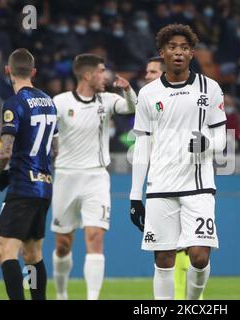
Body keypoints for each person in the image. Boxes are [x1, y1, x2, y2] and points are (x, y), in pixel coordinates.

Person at [130, 24, 227, 300]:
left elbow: (223, 137)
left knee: (198, 256)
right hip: (160, 186)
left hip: (198, 186)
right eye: (172, 47)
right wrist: (136, 196)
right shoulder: (148, 94)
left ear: (192, 53)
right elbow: (142, 145)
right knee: (163, 258)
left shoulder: (210, 88)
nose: (178, 52)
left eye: (184, 47)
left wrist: (207, 144)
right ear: (162, 52)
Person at [51, 53, 137, 300]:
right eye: (101, 70)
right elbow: (46, 130)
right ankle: (61, 293)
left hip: (96, 178)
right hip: (66, 178)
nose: (106, 75)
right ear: (88, 75)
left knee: (95, 237)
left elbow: (131, 107)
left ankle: (92, 298)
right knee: (62, 244)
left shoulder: (108, 100)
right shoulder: (60, 102)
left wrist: (128, 89)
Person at [0, 48, 58, 300]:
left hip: (23, 187)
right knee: (33, 254)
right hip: (45, 186)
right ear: (33, 72)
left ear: (7, 71)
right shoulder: (49, 101)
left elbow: (5, 151)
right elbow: (54, 148)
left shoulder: (14, 104)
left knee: (6, 252)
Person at [143, 55, 199, 300]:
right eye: (147, 72)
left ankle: (190, 299)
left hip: (188, 180)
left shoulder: (189, 100)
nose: (148, 76)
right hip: (160, 183)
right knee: (166, 251)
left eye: (153, 72)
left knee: (191, 248)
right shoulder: (149, 101)